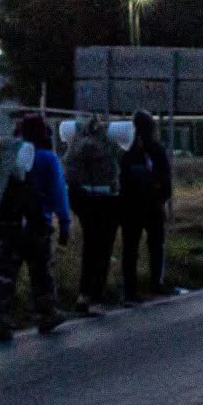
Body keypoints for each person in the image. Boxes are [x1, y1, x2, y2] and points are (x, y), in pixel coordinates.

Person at [0, 114, 70, 342]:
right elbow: (58, 193)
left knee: (4, 273)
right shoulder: (48, 158)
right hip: (36, 226)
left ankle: (0, 320)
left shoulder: (8, 155)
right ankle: (46, 314)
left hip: (8, 225)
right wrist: (64, 222)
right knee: (40, 272)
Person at [64, 114, 122, 314]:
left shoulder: (76, 147)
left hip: (84, 200)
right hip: (106, 200)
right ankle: (95, 296)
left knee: (90, 247)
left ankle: (84, 294)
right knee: (103, 249)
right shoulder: (106, 145)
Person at [118, 109, 172, 303]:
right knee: (156, 245)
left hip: (129, 206)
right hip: (152, 204)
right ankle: (156, 283)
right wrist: (163, 199)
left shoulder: (124, 149)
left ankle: (129, 289)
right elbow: (165, 178)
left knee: (130, 248)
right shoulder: (156, 149)